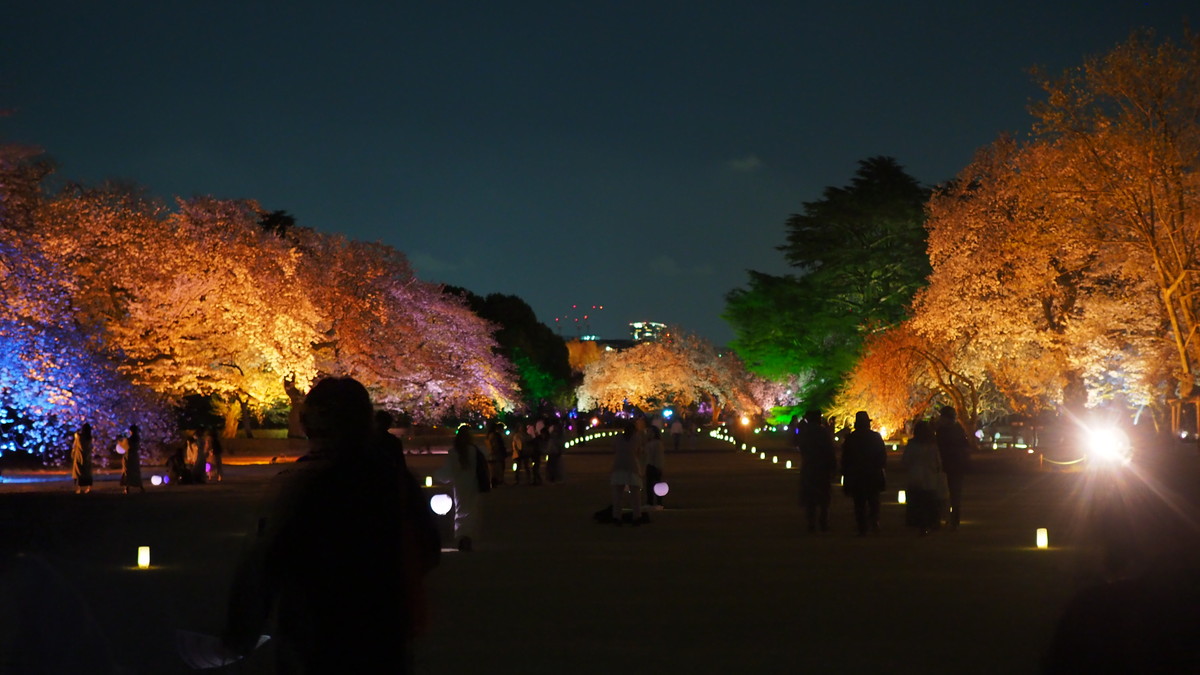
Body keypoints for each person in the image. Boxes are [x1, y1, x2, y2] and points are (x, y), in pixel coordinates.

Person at [223, 376, 439, 673]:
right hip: (382, 629)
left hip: (312, 633)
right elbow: (428, 549)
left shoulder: (300, 484)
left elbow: (264, 563)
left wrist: (240, 634)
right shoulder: (392, 480)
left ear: (309, 424)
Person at [435, 426, 486, 551]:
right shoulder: (474, 451)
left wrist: (437, 476)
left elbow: (448, 473)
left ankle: (461, 536)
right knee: (471, 511)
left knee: (460, 511)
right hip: (473, 485)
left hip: (459, 486)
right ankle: (468, 536)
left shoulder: (454, 453)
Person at [841, 410, 887, 536]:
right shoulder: (875, 437)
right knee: (873, 501)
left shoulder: (851, 438)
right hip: (872, 473)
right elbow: (882, 456)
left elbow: (846, 458)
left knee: (859, 502)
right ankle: (874, 522)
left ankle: (862, 526)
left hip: (857, 474)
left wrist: (845, 473)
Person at [797, 409, 837, 533]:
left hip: (809, 466)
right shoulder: (823, 432)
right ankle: (823, 522)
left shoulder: (805, 432)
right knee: (824, 497)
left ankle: (811, 523)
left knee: (810, 498)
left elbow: (799, 445)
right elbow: (829, 450)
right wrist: (833, 466)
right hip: (822, 467)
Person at [902, 420, 943, 535]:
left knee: (917, 503)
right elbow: (938, 462)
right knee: (929, 502)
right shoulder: (932, 446)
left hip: (915, 478)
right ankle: (929, 523)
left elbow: (905, 461)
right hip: (930, 479)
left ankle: (918, 523)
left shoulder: (912, 445)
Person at [935, 406, 972, 530]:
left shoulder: (943, 431)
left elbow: (940, 447)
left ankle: (947, 519)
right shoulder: (958, 430)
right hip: (956, 466)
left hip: (948, 466)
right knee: (954, 495)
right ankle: (953, 520)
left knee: (946, 494)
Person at [610, 420, 648, 525]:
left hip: (618, 466)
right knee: (635, 495)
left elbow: (613, 449)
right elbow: (639, 452)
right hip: (632, 466)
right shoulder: (636, 438)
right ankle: (637, 516)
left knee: (618, 495)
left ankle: (616, 517)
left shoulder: (618, 438)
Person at [119, 424, 145, 494]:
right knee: (136, 471)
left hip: (129, 456)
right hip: (135, 456)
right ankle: (141, 487)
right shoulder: (137, 439)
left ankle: (127, 488)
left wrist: (120, 441)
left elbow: (123, 446)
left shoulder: (128, 440)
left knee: (127, 471)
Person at [644, 426, 665, 509]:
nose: (648, 433)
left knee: (657, 485)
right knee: (649, 485)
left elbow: (659, 456)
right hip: (650, 465)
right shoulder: (650, 443)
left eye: (650, 432)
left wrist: (659, 466)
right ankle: (650, 502)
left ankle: (659, 503)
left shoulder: (657, 443)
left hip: (655, 466)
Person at [71, 423, 93, 494]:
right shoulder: (89, 438)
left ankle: (79, 489)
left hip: (79, 457)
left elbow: (76, 436)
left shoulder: (79, 437)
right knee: (87, 473)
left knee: (79, 473)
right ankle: (89, 488)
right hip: (87, 457)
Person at [485, 421, 507, 487]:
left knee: (492, 469)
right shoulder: (495, 435)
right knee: (497, 468)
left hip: (491, 454)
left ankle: (494, 482)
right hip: (496, 454)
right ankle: (497, 481)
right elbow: (496, 444)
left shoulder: (489, 435)